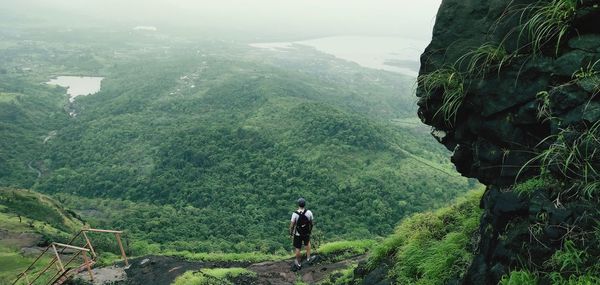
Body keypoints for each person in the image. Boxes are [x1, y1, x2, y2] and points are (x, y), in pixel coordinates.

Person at [289, 197, 314, 269]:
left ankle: (298, 263)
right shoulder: (309, 212)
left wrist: (291, 233)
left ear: (298, 205)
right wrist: (310, 230)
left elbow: (292, 225)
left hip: (298, 233)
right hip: (306, 232)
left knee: (298, 247)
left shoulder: (295, 214)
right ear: (304, 204)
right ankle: (308, 258)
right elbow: (311, 223)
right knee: (307, 243)